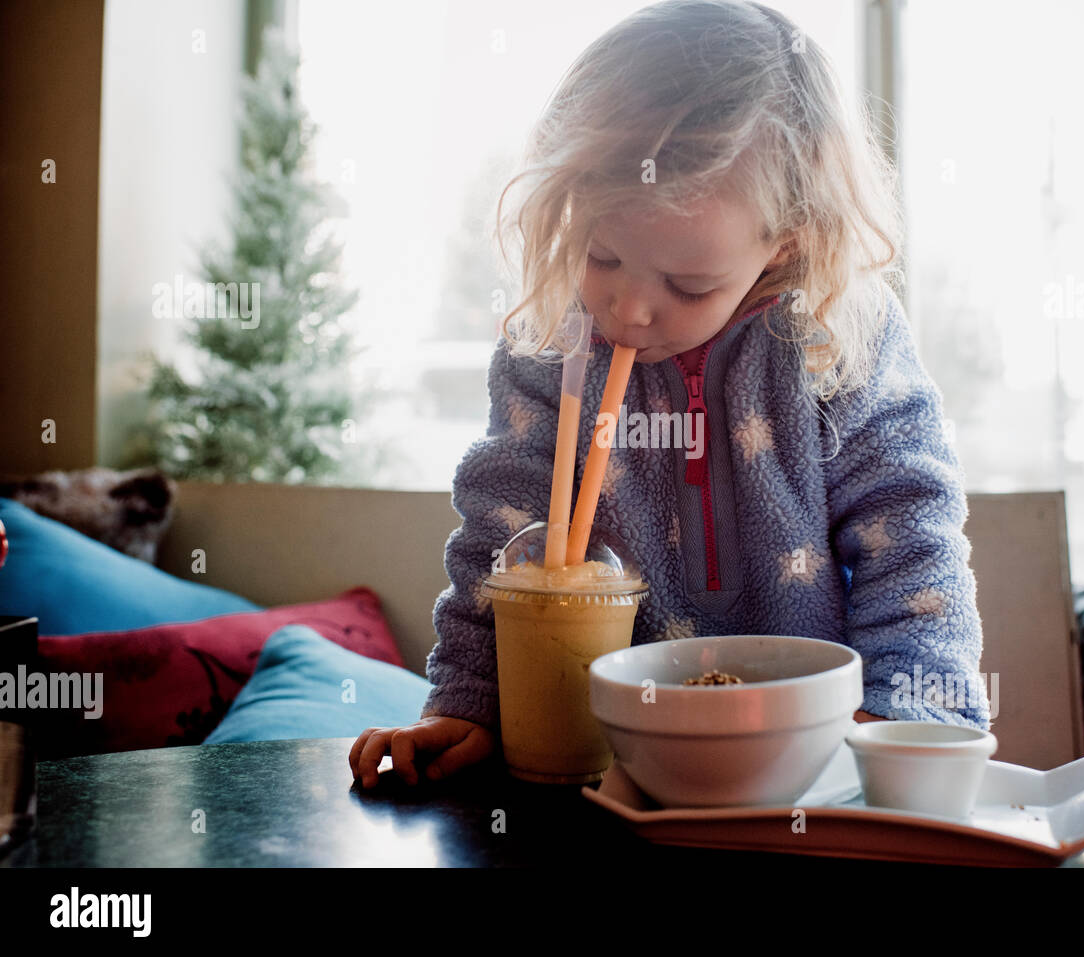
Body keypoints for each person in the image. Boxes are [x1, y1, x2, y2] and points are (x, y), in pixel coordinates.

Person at [351, 0, 990, 790]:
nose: (627, 310)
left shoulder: (842, 337)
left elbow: (912, 530)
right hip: (607, 766)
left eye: (689, 283)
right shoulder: (553, 342)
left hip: (811, 766)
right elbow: (504, 532)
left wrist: (908, 716)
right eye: (602, 255)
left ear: (782, 243)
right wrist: (472, 703)